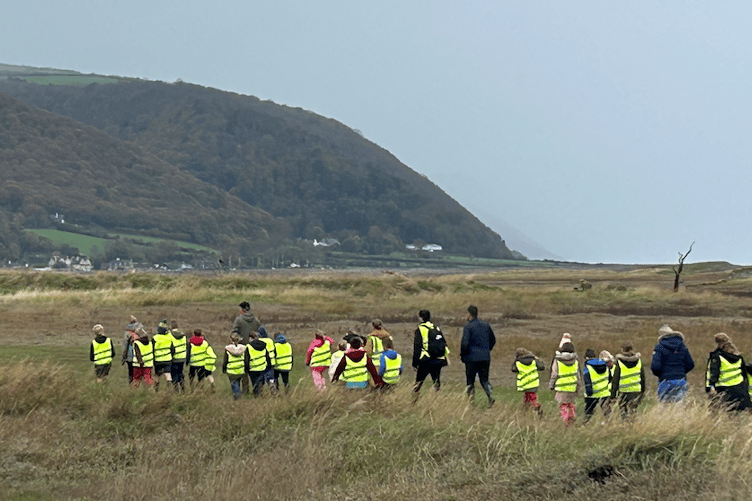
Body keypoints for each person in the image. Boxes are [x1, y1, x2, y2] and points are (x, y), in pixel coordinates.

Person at [460, 305, 496, 407]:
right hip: (485, 357)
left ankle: (471, 402)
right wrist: (487, 349)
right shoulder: (486, 325)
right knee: (484, 380)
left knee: (470, 381)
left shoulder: (468, 327)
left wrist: (463, 355)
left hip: (471, 358)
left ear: (469, 314)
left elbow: (464, 343)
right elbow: (493, 340)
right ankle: (491, 397)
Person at [706, 333, 751, 412]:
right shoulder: (738, 356)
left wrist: (710, 388)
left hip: (723, 390)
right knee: (737, 416)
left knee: (718, 414)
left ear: (717, 343)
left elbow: (712, 375)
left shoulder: (716, 357)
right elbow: (744, 374)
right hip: (739, 390)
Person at [651, 324, 694, 402]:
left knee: (664, 408)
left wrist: (662, 375)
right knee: (679, 408)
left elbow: (655, 367)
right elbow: (690, 364)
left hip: (665, 381)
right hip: (680, 380)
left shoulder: (659, 347)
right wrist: (681, 372)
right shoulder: (682, 346)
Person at [412, 310, 450, 397]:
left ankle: (413, 401)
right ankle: (437, 401)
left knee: (418, 383)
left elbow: (417, 348)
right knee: (436, 382)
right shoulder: (436, 328)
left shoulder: (420, 329)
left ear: (420, 318)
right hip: (438, 360)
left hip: (425, 360)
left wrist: (415, 364)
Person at [231, 301, 261, 395]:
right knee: (253, 369)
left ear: (242, 310)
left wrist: (237, 340)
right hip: (254, 347)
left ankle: (245, 390)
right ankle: (257, 389)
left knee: (244, 370)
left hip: (243, 347)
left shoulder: (239, 319)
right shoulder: (256, 319)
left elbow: (234, 332)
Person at [610, 342, 645, 419]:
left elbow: (615, 380)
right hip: (636, 391)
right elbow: (642, 378)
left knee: (623, 412)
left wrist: (612, 395)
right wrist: (642, 392)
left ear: (622, 350)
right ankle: (632, 425)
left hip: (624, 392)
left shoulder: (619, 363)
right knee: (633, 410)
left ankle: (625, 426)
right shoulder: (638, 361)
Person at [549, 341, 579, 427]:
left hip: (561, 388)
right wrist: (578, 386)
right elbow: (578, 375)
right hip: (572, 387)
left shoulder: (557, 361)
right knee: (571, 404)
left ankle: (566, 422)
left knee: (563, 405)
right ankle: (572, 418)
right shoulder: (575, 361)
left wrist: (551, 385)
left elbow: (554, 374)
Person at [511, 348, 545, 415]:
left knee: (527, 396)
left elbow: (513, 369)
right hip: (533, 382)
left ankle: (531, 408)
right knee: (532, 397)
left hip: (524, 383)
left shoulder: (518, 362)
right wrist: (536, 358)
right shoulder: (533, 360)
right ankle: (532, 408)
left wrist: (515, 360)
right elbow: (542, 367)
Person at [583, 348, 612, 422]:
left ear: (586, 358)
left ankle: (585, 424)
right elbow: (610, 378)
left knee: (589, 412)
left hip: (593, 394)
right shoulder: (605, 365)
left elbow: (587, 382)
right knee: (607, 412)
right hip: (605, 392)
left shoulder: (587, 368)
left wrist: (588, 393)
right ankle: (609, 423)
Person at [222, 333, 249, 400]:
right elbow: (246, 360)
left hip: (231, 370)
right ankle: (237, 395)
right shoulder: (243, 348)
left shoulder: (228, 349)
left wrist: (224, 369)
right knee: (238, 382)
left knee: (234, 383)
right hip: (240, 369)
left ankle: (237, 396)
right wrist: (246, 369)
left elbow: (225, 360)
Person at [247, 332, 273, 396]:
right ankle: (260, 392)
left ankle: (257, 395)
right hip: (262, 367)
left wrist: (246, 368)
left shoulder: (249, 346)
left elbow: (246, 359)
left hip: (253, 368)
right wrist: (269, 365)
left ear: (250, 338)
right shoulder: (263, 345)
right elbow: (267, 356)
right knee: (260, 381)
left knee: (254, 383)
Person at [152, 319, 174, 391]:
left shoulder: (155, 338)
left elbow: (152, 349)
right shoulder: (169, 337)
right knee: (168, 373)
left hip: (158, 360)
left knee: (157, 375)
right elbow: (172, 349)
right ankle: (169, 386)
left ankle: (156, 389)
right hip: (167, 359)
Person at [169, 320, 187, 392]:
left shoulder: (170, 335)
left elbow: (171, 347)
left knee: (174, 373)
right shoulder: (183, 335)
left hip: (174, 358)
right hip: (182, 357)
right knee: (180, 372)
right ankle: (183, 387)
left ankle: (176, 389)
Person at [121, 315, 141, 383]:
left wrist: (123, 358)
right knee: (139, 372)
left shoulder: (127, 333)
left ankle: (131, 385)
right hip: (140, 355)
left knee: (130, 372)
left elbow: (125, 346)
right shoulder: (140, 331)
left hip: (130, 355)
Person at [257, 326, 277, 392]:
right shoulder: (270, 341)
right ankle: (272, 387)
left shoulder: (259, 341)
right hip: (271, 362)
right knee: (270, 376)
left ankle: (260, 389)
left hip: (262, 362)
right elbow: (275, 350)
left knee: (261, 377)